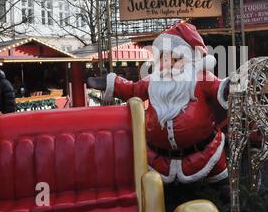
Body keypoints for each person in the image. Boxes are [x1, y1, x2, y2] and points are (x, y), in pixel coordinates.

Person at [88, 22, 230, 185]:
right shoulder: (153, 81)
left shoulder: (202, 78)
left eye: (175, 58)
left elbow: (220, 88)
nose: (168, 64)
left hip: (204, 154)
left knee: (219, 185)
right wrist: (111, 83)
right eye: (164, 58)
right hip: (159, 160)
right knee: (156, 196)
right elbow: (132, 90)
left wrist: (230, 88)